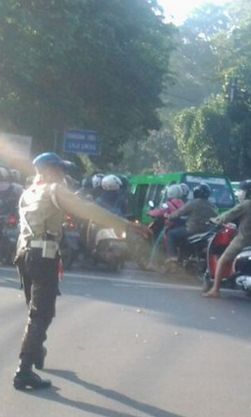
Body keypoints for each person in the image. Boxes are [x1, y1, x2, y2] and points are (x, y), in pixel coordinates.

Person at [12, 152, 149, 390]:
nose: (63, 174)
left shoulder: (27, 193)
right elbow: (88, 210)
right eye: (59, 170)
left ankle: (36, 351)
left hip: (24, 255)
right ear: (49, 171)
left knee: (36, 310)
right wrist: (125, 225)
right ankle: (23, 370)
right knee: (41, 314)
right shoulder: (54, 190)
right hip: (43, 256)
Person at [202, 180, 251, 298]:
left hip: (244, 240)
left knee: (222, 260)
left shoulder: (246, 205)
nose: (239, 194)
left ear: (247, 193)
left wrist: (215, 220)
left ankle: (215, 290)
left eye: (241, 191)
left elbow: (227, 215)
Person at [165, 183, 218, 261]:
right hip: (208, 231)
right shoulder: (212, 206)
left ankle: (173, 258)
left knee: (171, 234)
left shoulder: (193, 203)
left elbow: (179, 213)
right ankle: (184, 256)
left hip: (192, 229)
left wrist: (168, 216)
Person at [146, 184, 186, 268]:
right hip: (182, 227)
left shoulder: (167, 204)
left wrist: (149, 213)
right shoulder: (183, 203)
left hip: (170, 226)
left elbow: (160, 212)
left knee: (157, 243)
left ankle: (152, 263)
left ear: (170, 193)